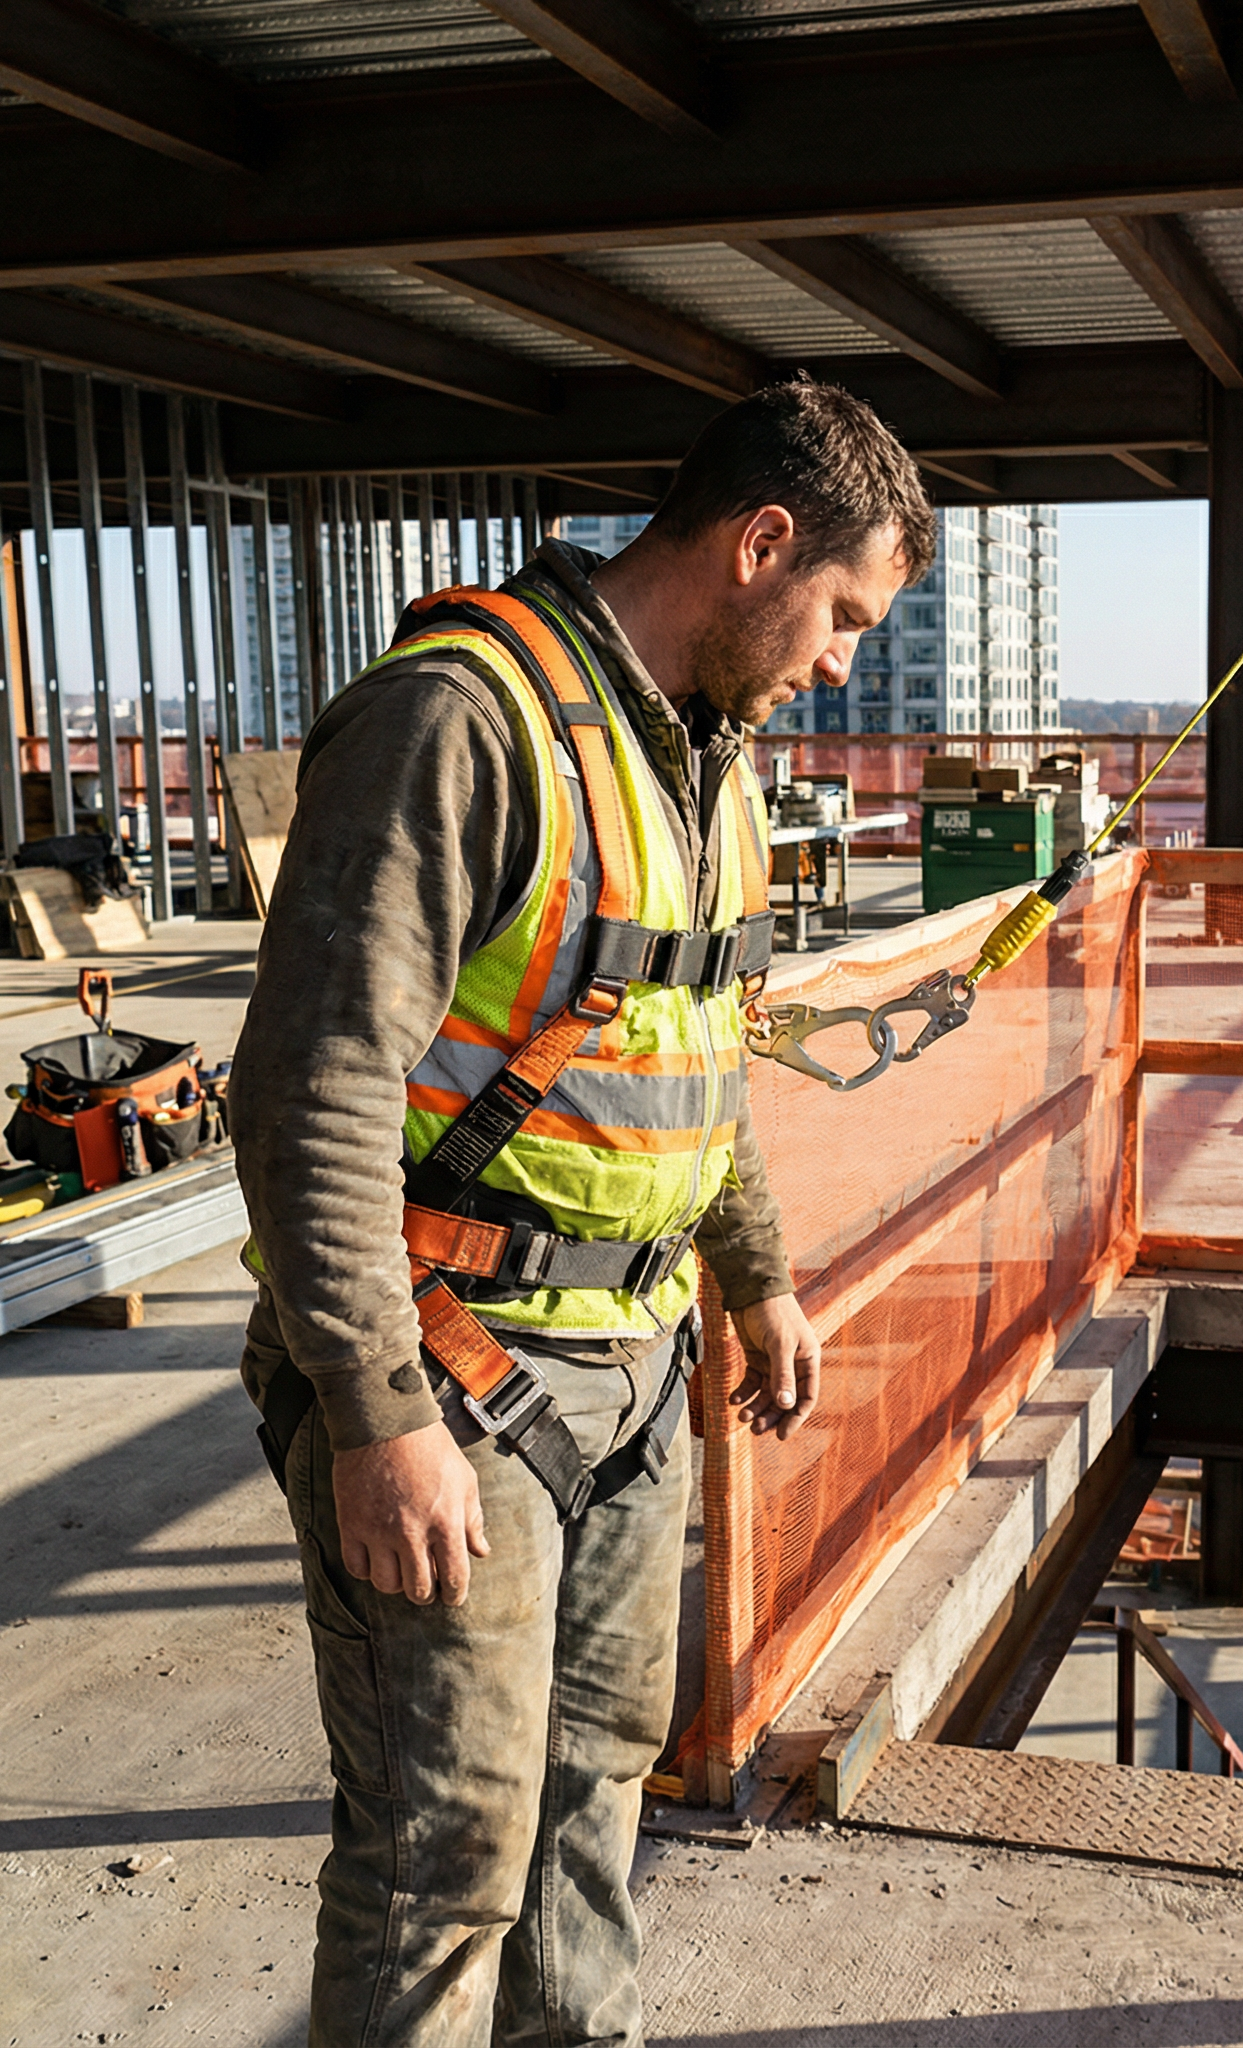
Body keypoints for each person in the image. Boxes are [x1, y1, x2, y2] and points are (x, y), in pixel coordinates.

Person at [235, 378, 937, 2047]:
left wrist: (753, 1273)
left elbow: (695, 1041)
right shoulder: (462, 724)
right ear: (761, 543)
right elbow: (312, 1084)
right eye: (843, 613)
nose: (845, 660)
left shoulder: (708, 758)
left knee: (590, 1807)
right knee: (444, 1852)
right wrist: (375, 1409)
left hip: (629, 1375)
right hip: (455, 1371)